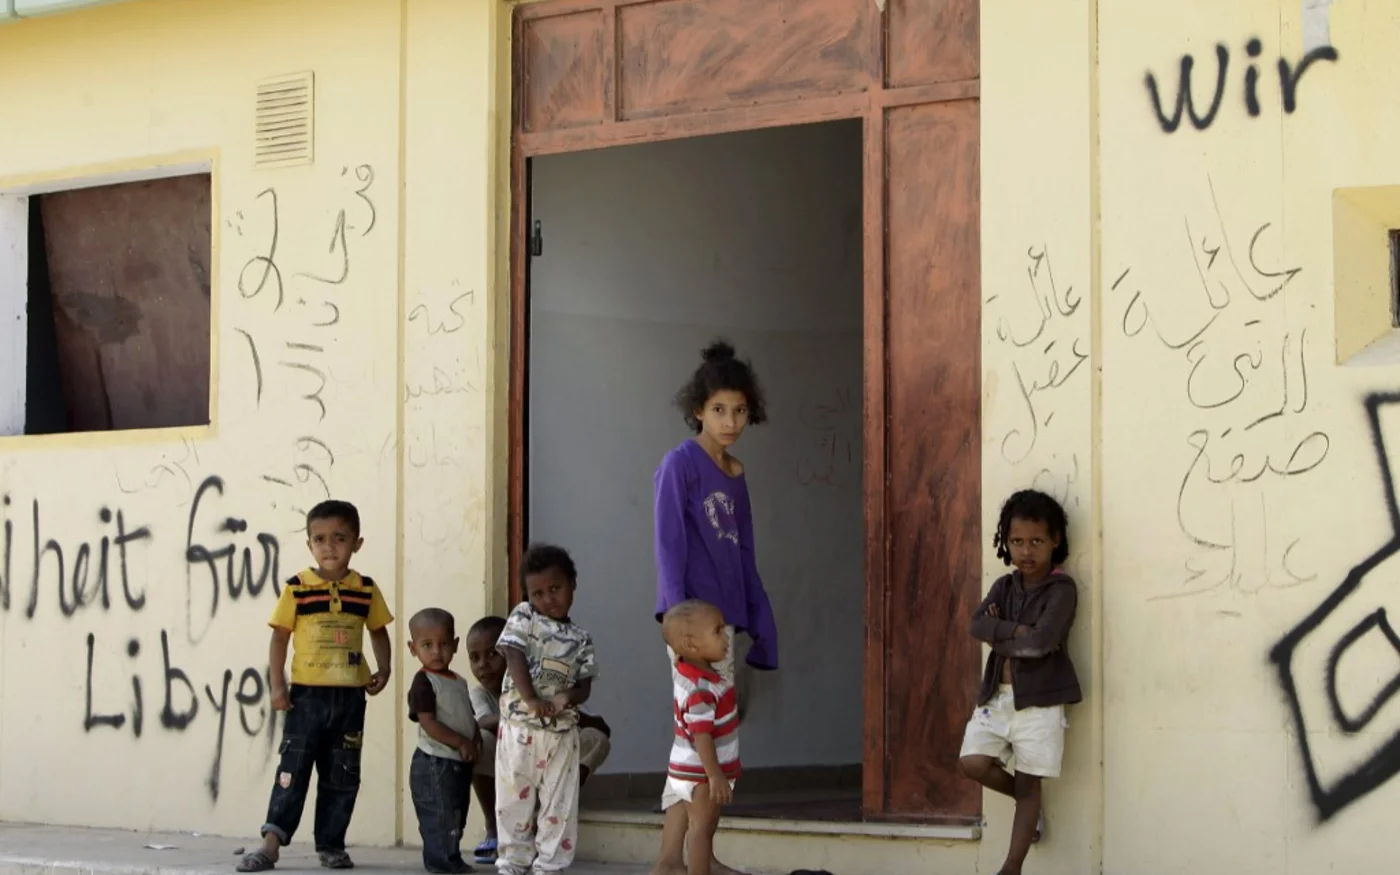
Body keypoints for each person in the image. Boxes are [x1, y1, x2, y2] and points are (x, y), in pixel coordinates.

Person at [653, 339, 777, 875]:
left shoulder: (736, 474)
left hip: (724, 627)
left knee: (700, 741)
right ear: (697, 410)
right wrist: (677, 622)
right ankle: (695, 856)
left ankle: (672, 860)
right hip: (692, 630)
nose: (730, 421)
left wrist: (757, 616)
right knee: (709, 743)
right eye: (719, 410)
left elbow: (745, 551)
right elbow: (668, 543)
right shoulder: (679, 465)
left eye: (741, 410)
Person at [236, 500, 394, 873]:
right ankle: (271, 842)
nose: (329, 547)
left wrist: (384, 669)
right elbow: (279, 638)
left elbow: (378, 631)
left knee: (342, 774)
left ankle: (332, 845)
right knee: (293, 768)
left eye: (340, 538)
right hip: (306, 697)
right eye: (320, 539)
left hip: (350, 698)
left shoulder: (366, 590)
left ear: (357, 543)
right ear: (310, 545)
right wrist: (278, 686)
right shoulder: (297, 588)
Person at [959, 490, 1081, 875]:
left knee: (1031, 781)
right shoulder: (1005, 587)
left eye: (1036, 542)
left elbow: (1040, 643)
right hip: (997, 697)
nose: (1026, 551)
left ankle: (1012, 866)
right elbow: (977, 625)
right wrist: (1013, 629)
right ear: (1005, 541)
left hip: (1041, 703)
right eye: (1017, 542)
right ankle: (1029, 805)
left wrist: (1001, 634)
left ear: (1055, 540)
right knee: (973, 762)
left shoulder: (1061, 589)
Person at [464, 615, 613, 867]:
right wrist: (527, 712)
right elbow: (483, 722)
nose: (483, 665)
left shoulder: (540, 684)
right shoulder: (481, 694)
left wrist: (569, 710)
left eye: (492, 655)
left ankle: (551, 819)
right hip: (512, 763)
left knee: (595, 740)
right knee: (483, 741)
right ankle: (494, 829)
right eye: (475, 658)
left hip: (548, 757)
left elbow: (594, 724)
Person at [494, 544, 599, 875]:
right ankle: (513, 862)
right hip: (519, 731)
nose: (547, 598)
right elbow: (513, 654)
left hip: (561, 736)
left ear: (572, 585)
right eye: (538, 592)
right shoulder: (524, 615)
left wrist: (565, 699)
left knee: (559, 806)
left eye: (555, 589)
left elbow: (585, 685)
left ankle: (550, 867)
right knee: (513, 802)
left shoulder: (581, 639)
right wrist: (532, 700)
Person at [651, 600, 741, 875]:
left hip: (682, 768)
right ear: (691, 645)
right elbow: (702, 735)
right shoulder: (701, 689)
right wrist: (715, 775)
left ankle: (666, 868)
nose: (725, 636)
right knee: (702, 830)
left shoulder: (689, 675)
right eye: (717, 631)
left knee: (684, 818)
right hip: (700, 772)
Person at [407, 607, 480, 874]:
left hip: (456, 762)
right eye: (427, 645)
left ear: (456, 645)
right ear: (412, 648)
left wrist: (474, 740)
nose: (436, 651)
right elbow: (429, 722)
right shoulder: (423, 682)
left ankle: (452, 857)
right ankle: (440, 863)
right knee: (439, 815)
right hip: (434, 763)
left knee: (456, 812)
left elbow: (464, 714)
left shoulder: (458, 681)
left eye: (444, 644)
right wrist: (461, 742)